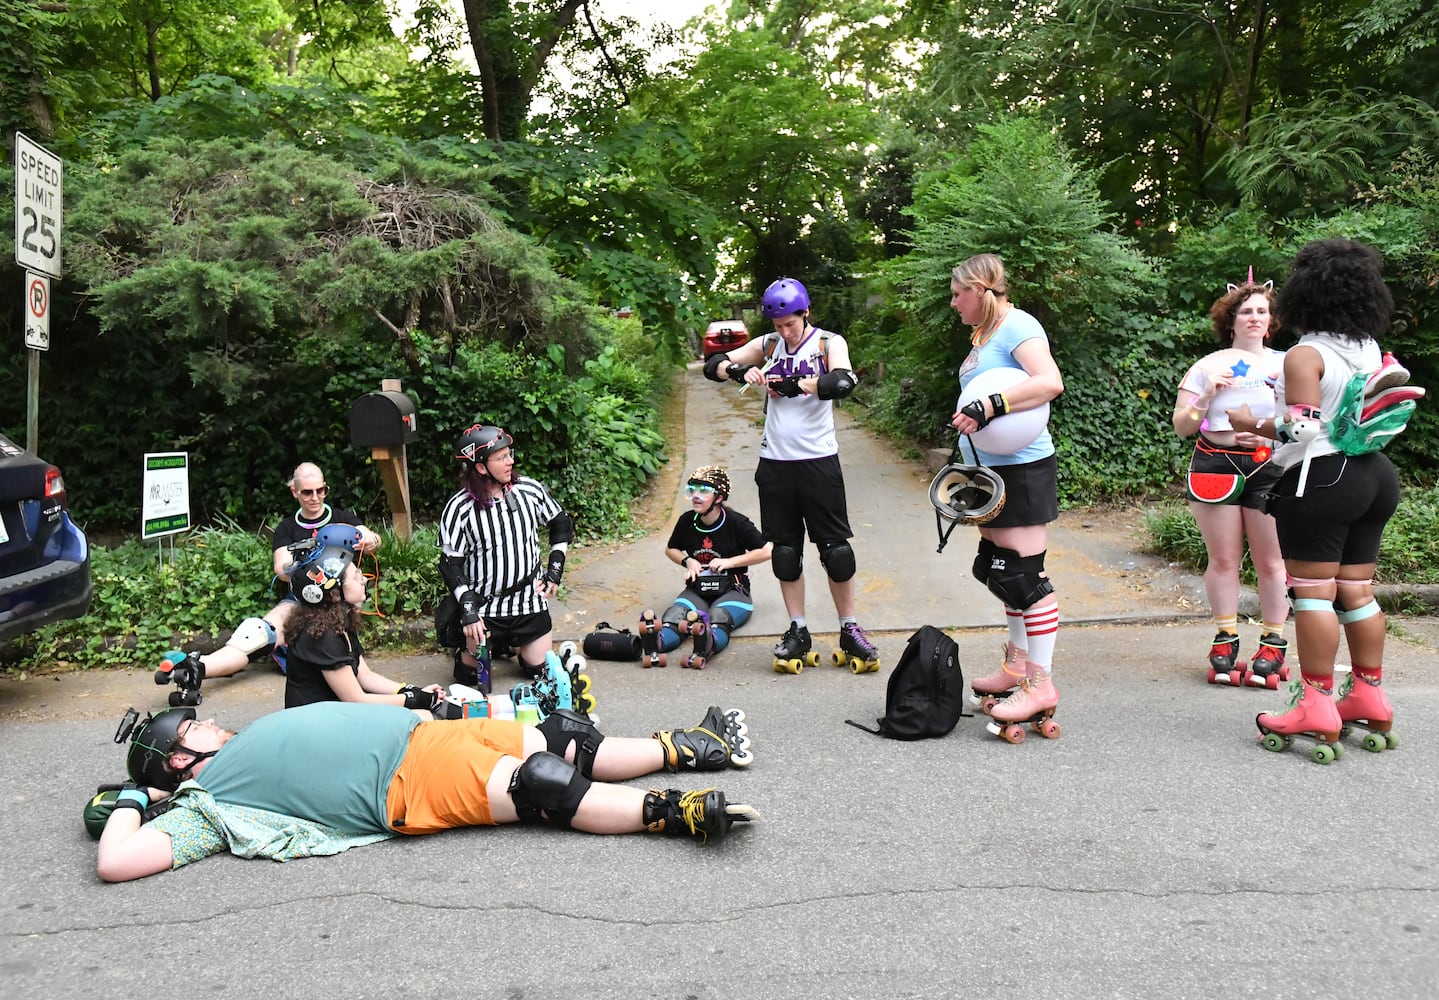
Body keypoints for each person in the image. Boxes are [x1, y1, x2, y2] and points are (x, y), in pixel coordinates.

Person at [95, 700, 759, 881]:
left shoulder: (231, 752)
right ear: (180, 759)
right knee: (542, 785)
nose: (210, 722)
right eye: (196, 727)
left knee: (564, 738)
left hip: (425, 742)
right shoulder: (209, 807)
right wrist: (135, 799)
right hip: (407, 784)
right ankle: (676, 815)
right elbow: (117, 861)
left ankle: (697, 747)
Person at [1228, 237, 1409, 759]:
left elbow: (1301, 431)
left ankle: (1315, 702)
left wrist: (1252, 423)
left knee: (1311, 593)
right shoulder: (1368, 350)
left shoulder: (1307, 354)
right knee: (1357, 590)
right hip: (1375, 476)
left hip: (1324, 479)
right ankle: (1370, 696)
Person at [701, 277, 879, 673]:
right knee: (785, 553)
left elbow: (843, 382)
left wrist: (799, 384)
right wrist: (738, 370)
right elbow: (712, 365)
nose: (784, 332)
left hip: (818, 461)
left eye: (790, 324)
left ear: (805, 313)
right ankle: (797, 629)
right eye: (779, 325)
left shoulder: (827, 343)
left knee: (836, 552)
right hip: (775, 463)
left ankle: (849, 627)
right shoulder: (767, 345)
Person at [947, 254, 1066, 737]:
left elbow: (1049, 383)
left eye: (958, 293)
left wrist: (990, 404)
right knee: (999, 572)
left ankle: (1040, 682)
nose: (953, 303)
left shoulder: (1018, 325)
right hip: (989, 469)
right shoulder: (984, 337)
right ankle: (1016, 668)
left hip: (1023, 469)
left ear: (979, 289)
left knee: (1025, 576)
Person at [155, 463, 382, 699]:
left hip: (341, 599)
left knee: (351, 665)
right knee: (259, 633)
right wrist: (308, 563)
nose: (315, 497)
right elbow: (281, 569)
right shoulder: (287, 527)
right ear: (294, 491)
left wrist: (370, 539)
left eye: (320, 490)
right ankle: (197, 668)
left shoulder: (343, 517)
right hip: (304, 598)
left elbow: (371, 537)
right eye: (307, 492)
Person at [1172, 276, 1290, 686]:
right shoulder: (1207, 365)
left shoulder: (1288, 363)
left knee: (1270, 560)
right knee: (1223, 559)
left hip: (1269, 464)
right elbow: (1182, 425)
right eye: (1246, 311)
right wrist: (1205, 399)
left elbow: (1304, 418)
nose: (1254, 318)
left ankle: (1274, 640)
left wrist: (1267, 430)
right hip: (1215, 463)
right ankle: (1226, 635)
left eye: (1261, 311)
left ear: (1271, 320)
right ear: (1231, 320)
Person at [437, 424, 571, 691]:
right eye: (502, 457)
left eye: (510, 454)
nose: (511, 461)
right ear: (481, 467)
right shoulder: (459, 508)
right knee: (469, 677)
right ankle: (487, 646)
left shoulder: (529, 490)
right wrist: (468, 609)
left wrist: (555, 568)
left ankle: (517, 646)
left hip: (527, 602)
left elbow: (560, 522)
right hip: (486, 607)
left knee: (538, 669)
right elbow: (450, 564)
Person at [283, 531, 447, 713]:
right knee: (420, 717)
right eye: (355, 577)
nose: (364, 579)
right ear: (335, 593)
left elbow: (365, 677)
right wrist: (416, 700)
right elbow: (356, 700)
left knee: (418, 714)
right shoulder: (322, 635)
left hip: (334, 714)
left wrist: (411, 691)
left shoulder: (337, 620)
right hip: (316, 726)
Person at [637, 465, 773, 669]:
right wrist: (687, 561)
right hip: (697, 588)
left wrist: (730, 562)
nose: (696, 496)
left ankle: (707, 642)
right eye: (692, 490)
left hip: (733, 591)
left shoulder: (736, 522)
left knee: (718, 618)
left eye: (704, 491)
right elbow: (671, 549)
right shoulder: (687, 521)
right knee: (676, 615)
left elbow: (767, 550)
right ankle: (657, 642)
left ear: (719, 498)